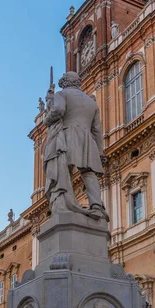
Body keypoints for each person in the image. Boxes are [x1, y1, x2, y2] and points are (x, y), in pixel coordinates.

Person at [43, 71, 109, 220]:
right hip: (88, 140)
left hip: (67, 136)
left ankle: (63, 204)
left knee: (63, 170)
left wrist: (46, 119)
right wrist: (99, 152)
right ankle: (96, 206)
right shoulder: (92, 102)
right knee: (89, 173)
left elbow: (58, 110)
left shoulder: (62, 94)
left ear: (65, 82)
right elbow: (97, 130)